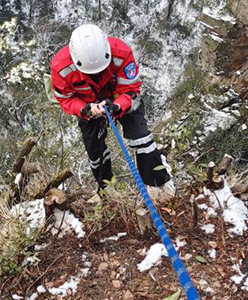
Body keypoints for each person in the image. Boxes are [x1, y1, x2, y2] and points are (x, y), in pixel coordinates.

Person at [50, 24, 175, 203]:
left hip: (121, 99)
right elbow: (65, 99)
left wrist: (117, 106)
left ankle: (159, 183)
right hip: (88, 107)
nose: (97, 73)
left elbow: (131, 88)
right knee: (95, 151)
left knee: (141, 138)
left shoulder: (121, 53)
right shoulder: (61, 66)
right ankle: (106, 189)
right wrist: (84, 109)